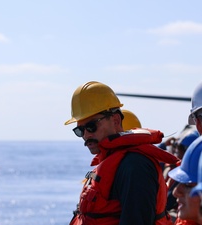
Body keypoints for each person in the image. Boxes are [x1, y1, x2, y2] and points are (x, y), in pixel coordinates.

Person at [65, 81, 179, 225]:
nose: (86, 135)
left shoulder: (135, 167)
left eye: (91, 126)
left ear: (116, 120)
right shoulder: (114, 163)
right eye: (79, 130)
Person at [164, 127, 199, 221]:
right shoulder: (174, 169)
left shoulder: (186, 172)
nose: (175, 151)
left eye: (179, 147)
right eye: (175, 146)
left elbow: (168, 202)